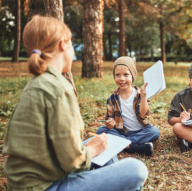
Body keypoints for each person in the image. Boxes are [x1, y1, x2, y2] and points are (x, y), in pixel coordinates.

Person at [2, 15, 148, 191]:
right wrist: (91, 151)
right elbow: (71, 162)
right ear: (63, 44)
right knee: (136, 169)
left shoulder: (38, 82)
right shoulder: (58, 88)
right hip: (48, 186)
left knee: (104, 143)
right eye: (71, 44)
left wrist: (91, 148)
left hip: (35, 179)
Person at [96, 56, 160, 156]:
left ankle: (121, 144)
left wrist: (143, 96)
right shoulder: (112, 98)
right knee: (101, 130)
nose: (122, 79)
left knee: (154, 132)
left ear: (132, 76)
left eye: (126, 74)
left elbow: (144, 115)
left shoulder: (140, 94)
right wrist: (109, 124)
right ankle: (135, 147)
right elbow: (109, 119)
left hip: (140, 131)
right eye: (117, 75)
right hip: (121, 132)